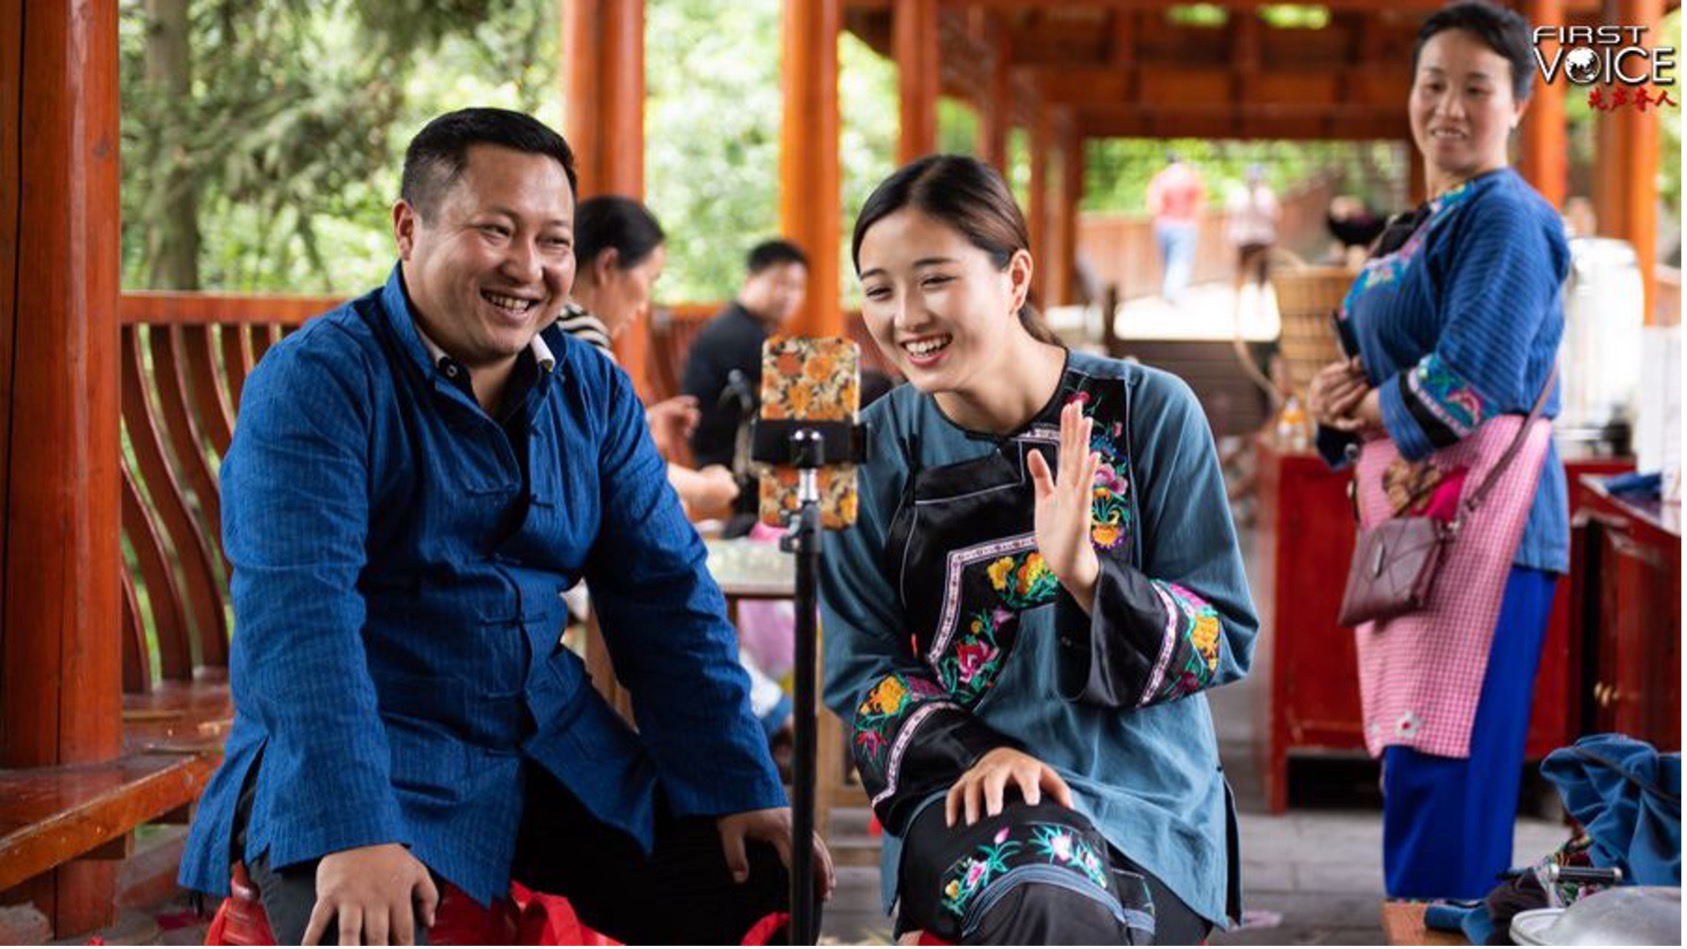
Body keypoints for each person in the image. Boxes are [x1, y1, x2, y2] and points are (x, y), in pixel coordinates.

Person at [177, 108, 831, 945]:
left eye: (553, 241)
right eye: (495, 231)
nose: (528, 268)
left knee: (767, 887)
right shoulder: (315, 383)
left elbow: (665, 595)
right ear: (408, 228)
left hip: (544, 740)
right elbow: (300, 624)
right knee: (358, 931)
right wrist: (352, 829)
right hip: (369, 743)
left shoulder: (592, 388)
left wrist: (739, 780)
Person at [820, 154, 1255, 944]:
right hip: (964, 793)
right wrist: (981, 755)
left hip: (1145, 804)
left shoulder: (1150, 411)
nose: (905, 315)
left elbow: (1221, 636)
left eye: (935, 280)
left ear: (1014, 278)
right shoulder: (871, 449)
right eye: (878, 289)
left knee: (1063, 904)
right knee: (1041, 895)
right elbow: (861, 672)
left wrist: (1089, 577)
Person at [1306, 0, 1569, 902]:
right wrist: (1334, 402)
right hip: (1423, 521)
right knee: (1416, 758)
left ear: (1518, 105)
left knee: (1446, 765)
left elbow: (1468, 383)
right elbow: (1368, 367)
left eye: (1475, 87)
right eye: (1432, 84)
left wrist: (1369, 403)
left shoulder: (1504, 218)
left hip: (1485, 529)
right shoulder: (1417, 221)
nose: (1448, 106)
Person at [564, 195, 737, 517]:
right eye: (650, 279)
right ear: (607, 265)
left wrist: (644, 422)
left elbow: (579, 431)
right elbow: (608, 462)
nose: (644, 305)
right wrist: (703, 489)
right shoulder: (578, 335)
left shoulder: (553, 325)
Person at [680, 239, 809, 530]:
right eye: (780, 283)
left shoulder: (745, 329)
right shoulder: (738, 335)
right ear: (750, 280)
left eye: (797, 287)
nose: (789, 295)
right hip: (729, 471)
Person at [1145, 153, 1205, 304]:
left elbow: (1154, 205)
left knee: (1168, 261)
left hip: (1163, 225)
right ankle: (1173, 294)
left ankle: (1170, 292)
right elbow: (1200, 202)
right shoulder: (1190, 177)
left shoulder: (1161, 178)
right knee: (1180, 261)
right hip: (1185, 224)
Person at [1225, 164, 1279, 289]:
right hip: (1252, 239)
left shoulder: (1262, 194)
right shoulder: (1265, 194)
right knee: (1248, 272)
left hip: (1253, 239)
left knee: (1250, 272)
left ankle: (1242, 303)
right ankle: (1239, 303)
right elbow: (1276, 216)